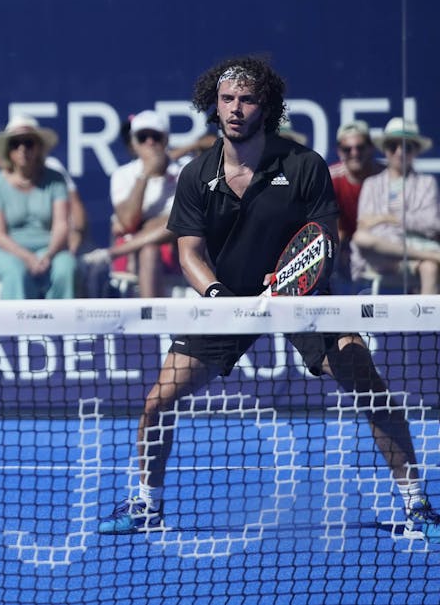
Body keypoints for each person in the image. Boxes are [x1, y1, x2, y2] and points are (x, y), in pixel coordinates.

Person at [97, 57, 440, 544]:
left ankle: (417, 505)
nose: (236, 109)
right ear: (213, 105)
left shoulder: (303, 165)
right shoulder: (197, 174)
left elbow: (324, 240)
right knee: (157, 402)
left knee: (370, 386)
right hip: (227, 302)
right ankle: (146, 504)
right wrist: (218, 297)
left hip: (303, 297)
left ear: (267, 106)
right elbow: (189, 251)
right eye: (227, 99)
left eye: (247, 99)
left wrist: (287, 284)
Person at [84, 110, 182, 298]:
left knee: (173, 225)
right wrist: (145, 175)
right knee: (150, 249)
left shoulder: (185, 171)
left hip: (174, 252)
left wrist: (142, 227)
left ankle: (112, 252)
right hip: (138, 256)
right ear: (134, 143)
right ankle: (152, 322)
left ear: (166, 140)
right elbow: (129, 220)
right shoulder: (122, 174)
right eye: (143, 137)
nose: (150, 142)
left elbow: (178, 221)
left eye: (155, 136)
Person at [0, 117, 76, 299]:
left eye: (28, 143)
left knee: (66, 266)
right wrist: (27, 257)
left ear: (39, 147)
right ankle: (17, 328)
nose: (22, 149)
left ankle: (62, 327)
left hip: (48, 250)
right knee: (15, 271)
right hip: (5, 252)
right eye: (16, 144)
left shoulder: (56, 180)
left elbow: (62, 225)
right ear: (8, 150)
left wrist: (48, 255)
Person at [350, 118, 440, 293]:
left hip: (414, 251)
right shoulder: (371, 184)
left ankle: (427, 321)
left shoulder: (426, 182)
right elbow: (364, 227)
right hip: (385, 258)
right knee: (361, 238)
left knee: (430, 268)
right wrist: (403, 227)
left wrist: (387, 219)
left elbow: (431, 223)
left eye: (407, 147)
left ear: (416, 151)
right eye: (393, 146)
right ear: (385, 150)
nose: (399, 152)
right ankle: (432, 255)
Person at [328, 120, 384, 292]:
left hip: (378, 245)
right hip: (343, 246)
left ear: (370, 148)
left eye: (360, 147)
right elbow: (330, 227)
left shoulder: (385, 176)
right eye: (347, 149)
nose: (354, 153)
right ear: (339, 151)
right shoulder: (331, 178)